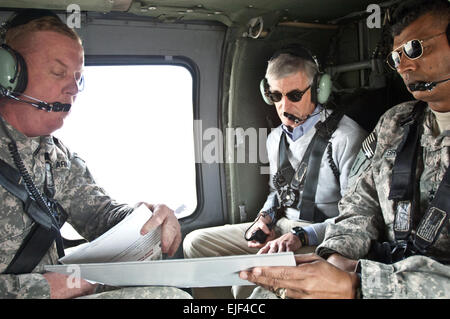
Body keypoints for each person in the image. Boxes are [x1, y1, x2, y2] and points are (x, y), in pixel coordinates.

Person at [240, 0, 450, 299]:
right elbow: (358, 207)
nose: (403, 64)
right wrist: (334, 258)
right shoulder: (395, 122)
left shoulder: (345, 136)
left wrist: (358, 285)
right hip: (376, 267)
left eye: (415, 48)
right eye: (396, 56)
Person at [0, 10, 191, 299]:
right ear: (9, 73)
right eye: (58, 72)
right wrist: (46, 288)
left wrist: (146, 219)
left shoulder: (56, 157)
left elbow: (102, 218)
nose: (74, 89)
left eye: (79, 78)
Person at [183, 45, 367, 298]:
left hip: (324, 237)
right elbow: (277, 190)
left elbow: (356, 219)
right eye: (275, 96)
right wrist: (265, 218)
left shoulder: (346, 138)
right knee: (196, 244)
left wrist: (301, 235)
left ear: (318, 90)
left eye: (294, 95)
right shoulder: (275, 138)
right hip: (282, 229)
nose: (283, 106)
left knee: (244, 285)